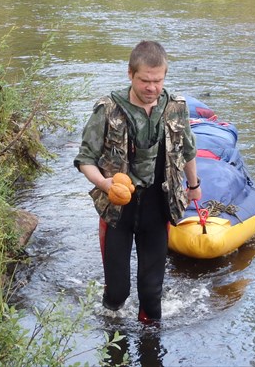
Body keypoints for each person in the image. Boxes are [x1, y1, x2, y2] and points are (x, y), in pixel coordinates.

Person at [73, 40, 202, 323]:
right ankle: (112, 339)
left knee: (151, 293)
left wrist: (193, 187)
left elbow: (188, 151)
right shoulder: (106, 109)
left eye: (158, 81)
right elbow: (85, 160)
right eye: (145, 80)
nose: (152, 88)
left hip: (157, 207)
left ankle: (151, 346)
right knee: (118, 293)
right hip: (118, 211)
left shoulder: (176, 107)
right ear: (130, 74)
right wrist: (106, 186)